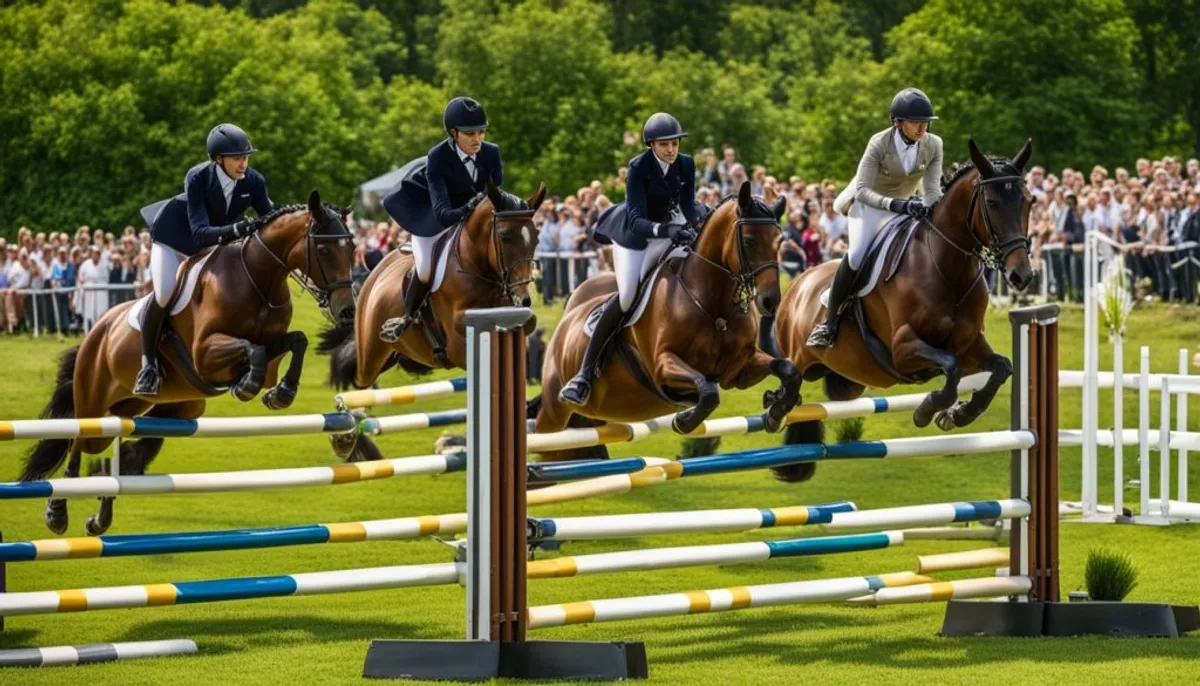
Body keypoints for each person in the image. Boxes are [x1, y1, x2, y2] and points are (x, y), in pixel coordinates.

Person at [558, 112, 699, 406]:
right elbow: (636, 219)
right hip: (634, 238)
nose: (671, 150)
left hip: (669, 233)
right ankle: (583, 374)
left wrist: (696, 225)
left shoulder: (686, 164)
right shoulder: (638, 167)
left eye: (674, 144)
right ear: (651, 145)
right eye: (664, 145)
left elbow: (688, 205)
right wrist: (667, 229)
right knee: (627, 297)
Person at [135, 123, 273, 395]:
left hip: (212, 244)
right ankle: (147, 365)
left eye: (246, 157)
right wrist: (236, 229)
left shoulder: (254, 181)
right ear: (218, 159)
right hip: (173, 238)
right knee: (164, 293)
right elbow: (199, 233)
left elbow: (269, 216)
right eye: (237, 158)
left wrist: (300, 215)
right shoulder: (197, 177)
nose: (243, 163)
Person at [807, 87, 944, 348]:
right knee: (857, 255)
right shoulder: (879, 143)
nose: (922, 127)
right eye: (916, 122)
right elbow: (863, 190)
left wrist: (926, 205)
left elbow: (933, 190)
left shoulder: (934, 144)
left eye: (925, 122)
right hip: (870, 205)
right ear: (898, 122)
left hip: (906, 204)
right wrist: (896, 204)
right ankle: (829, 322)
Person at [379, 96, 502, 343]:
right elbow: (443, 213)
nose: (478, 139)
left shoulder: (491, 153)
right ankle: (406, 317)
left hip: (472, 216)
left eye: (481, 132)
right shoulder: (438, 156)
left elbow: (495, 192)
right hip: (432, 213)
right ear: (453, 133)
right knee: (425, 267)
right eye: (470, 134)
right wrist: (471, 206)